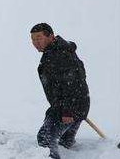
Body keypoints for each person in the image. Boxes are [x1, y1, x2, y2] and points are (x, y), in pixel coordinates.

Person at [30, 23, 90, 159]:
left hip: (69, 108)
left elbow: (72, 83)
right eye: (33, 39)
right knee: (62, 142)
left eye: (38, 38)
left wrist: (68, 111)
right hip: (76, 105)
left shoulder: (60, 55)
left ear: (50, 36)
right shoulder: (56, 51)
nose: (35, 42)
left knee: (45, 139)